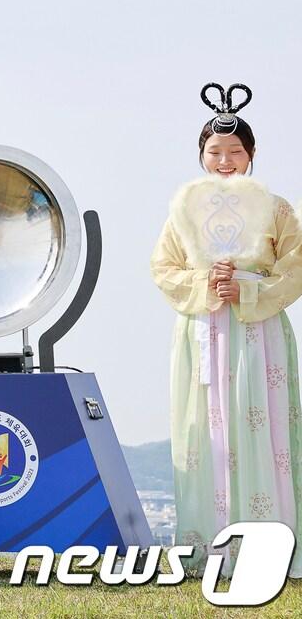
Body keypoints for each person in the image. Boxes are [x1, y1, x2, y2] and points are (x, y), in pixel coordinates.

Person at [151, 82, 302, 578]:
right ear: (201, 156)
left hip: (257, 334)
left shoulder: (277, 208)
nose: (224, 160)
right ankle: (207, 547)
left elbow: (296, 267)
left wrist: (250, 291)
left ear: (252, 155)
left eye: (234, 152)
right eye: (214, 152)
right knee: (205, 431)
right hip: (204, 330)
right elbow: (164, 269)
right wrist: (206, 283)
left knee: (262, 425)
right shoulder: (183, 210)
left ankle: (269, 545)